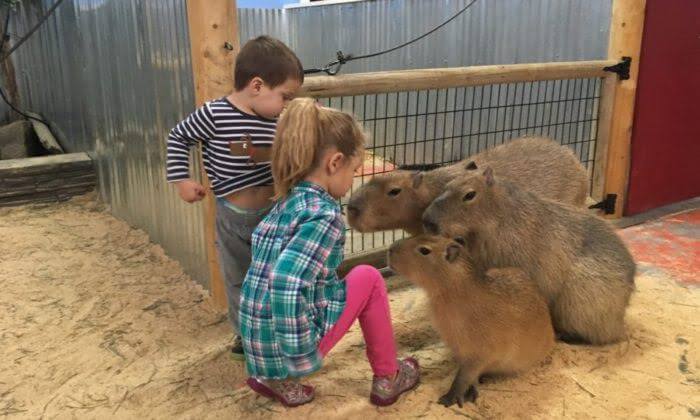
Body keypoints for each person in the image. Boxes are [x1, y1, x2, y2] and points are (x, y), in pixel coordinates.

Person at [240, 98, 420, 407]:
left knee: (335, 283)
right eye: (354, 170)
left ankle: (276, 379)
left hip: (258, 345)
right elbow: (286, 280)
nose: (352, 181)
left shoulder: (287, 201)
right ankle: (388, 377)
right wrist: (300, 356)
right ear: (334, 163)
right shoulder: (323, 216)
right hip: (289, 347)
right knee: (368, 276)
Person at [165, 36, 303, 359]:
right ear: (257, 85)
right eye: (285, 96)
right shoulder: (214, 114)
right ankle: (245, 335)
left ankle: (275, 333)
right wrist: (182, 179)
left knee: (273, 276)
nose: (287, 105)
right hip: (233, 218)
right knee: (239, 278)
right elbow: (178, 137)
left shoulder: (278, 121)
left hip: (272, 215)